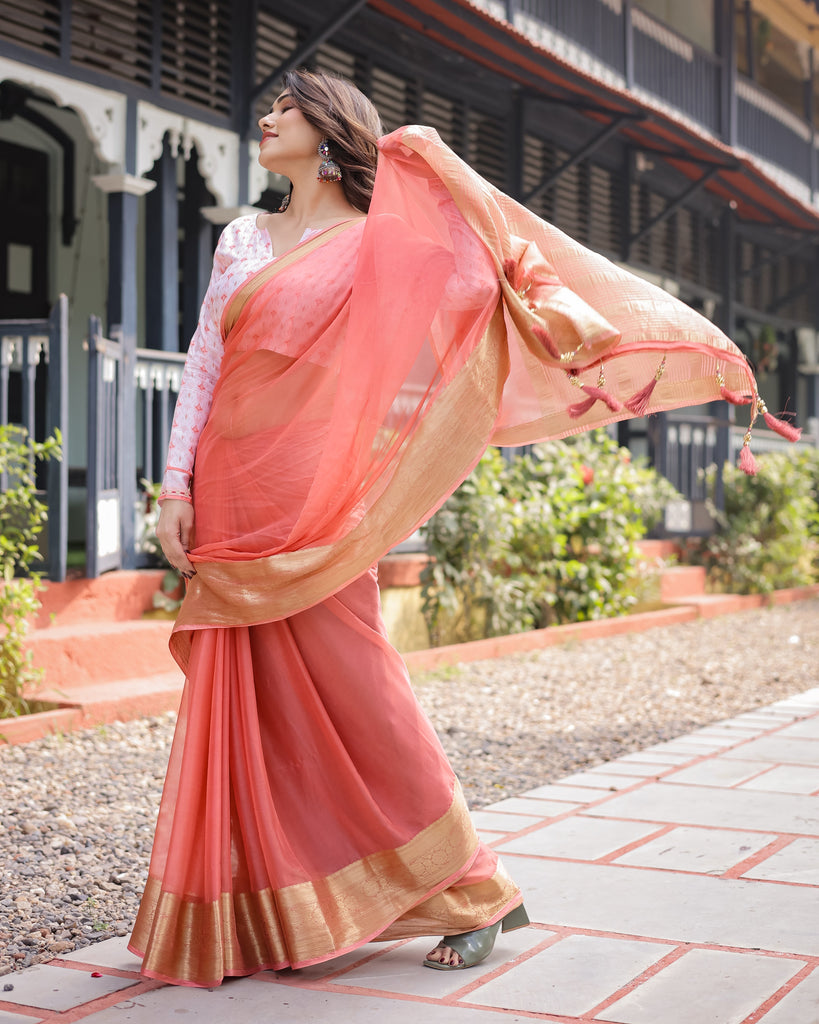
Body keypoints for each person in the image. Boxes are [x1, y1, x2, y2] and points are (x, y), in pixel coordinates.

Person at [129, 69, 766, 988]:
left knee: (355, 686)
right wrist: (175, 484)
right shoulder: (241, 237)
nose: (264, 118)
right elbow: (204, 362)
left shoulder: (378, 245)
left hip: (316, 497)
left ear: (331, 127)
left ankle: (478, 887)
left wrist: (434, 169)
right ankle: (273, 909)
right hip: (229, 483)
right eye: (263, 106)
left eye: (284, 107)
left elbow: (473, 296)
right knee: (254, 696)